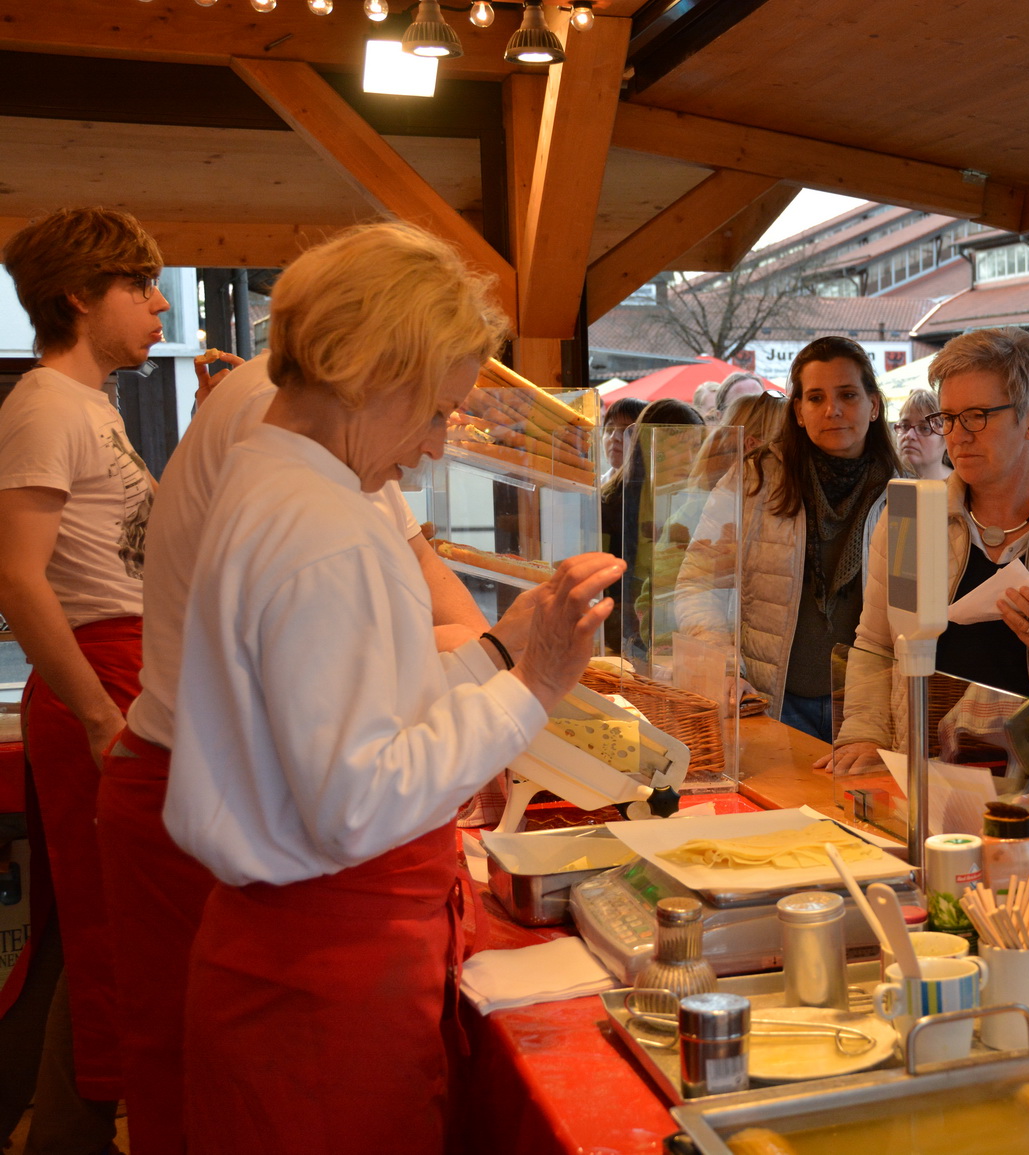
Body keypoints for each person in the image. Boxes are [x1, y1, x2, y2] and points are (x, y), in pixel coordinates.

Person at [162, 222, 625, 1155]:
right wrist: (533, 687)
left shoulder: (296, 485)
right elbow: (357, 799)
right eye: (437, 410)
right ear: (372, 370)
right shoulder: (320, 526)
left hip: (299, 959)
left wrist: (499, 647)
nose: (435, 444)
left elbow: (375, 698)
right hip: (323, 977)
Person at [832, 327, 1029, 835]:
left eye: (977, 416)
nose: (957, 434)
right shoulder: (910, 520)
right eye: (949, 417)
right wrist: (861, 735)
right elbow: (875, 644)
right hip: (929, 783)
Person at [0, 207, 170, 1150]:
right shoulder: (43, 405)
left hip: (127, 668)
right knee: (111, 934)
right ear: (77, 295)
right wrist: (104, 717)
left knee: (115, 931)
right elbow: (19, 580)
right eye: (137, 287)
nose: (155, 305)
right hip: (95, 678)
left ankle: (74, 1125)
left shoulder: (92, 405)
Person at [677, 337, 901, 741]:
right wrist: (726, 669)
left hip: (868, 712)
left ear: (874, 405)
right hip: (770, 702)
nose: (832, 410)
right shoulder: (754, 481)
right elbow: (697, 584)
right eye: (815, 397)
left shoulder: (904, 495)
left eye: (848, 394)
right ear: (798, 411)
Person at [600, 398, 705, 659]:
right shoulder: (611, 504)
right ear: (649, 445)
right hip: (625, 647)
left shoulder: (702, 505)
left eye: (696, 445)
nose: (691, 457)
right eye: (678, 444)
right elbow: (603, 589)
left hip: (690, 636)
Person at [893, 387, 952, 481]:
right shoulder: (880, 483)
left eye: (924, 428)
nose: (909, 435)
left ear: (948, 438)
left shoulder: (967, 488)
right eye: (904, 426)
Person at [600, 396, 648, 484]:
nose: (614, 437)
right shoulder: (590, 490)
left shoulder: (660, 492)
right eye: (609, 430)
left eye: (628, 431)